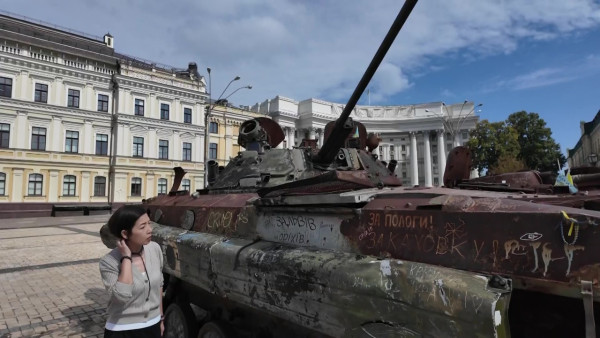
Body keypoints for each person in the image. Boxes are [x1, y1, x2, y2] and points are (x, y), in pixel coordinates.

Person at [99, 205, 164, 337]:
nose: (150, 230)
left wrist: (161, 318)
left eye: (149, 224)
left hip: (153, 325)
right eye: (142, 227)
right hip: (122, 330)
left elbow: (159, 286)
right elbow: (122, 296)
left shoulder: (155, 249)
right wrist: (127, 258)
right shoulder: (109, 262)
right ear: (125, 233)